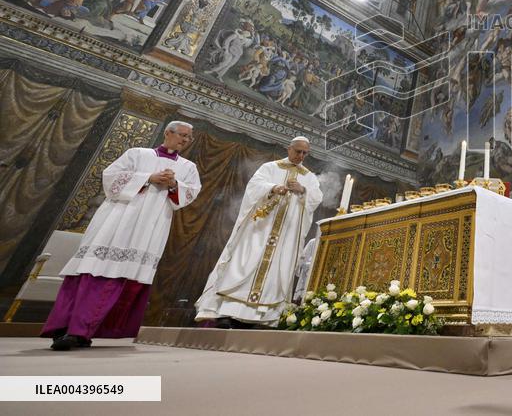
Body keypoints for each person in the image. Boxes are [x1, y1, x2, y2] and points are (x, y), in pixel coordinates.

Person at [42, 122, 201, 350]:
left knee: (123, 276)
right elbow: (111, 179)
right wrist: (148, 178)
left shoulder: (189, 167)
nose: (185, 140)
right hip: (116, 221)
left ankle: (84, 331)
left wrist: (174, 184)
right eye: (182, 135)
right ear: (168, 133)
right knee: (92, 270)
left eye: (189, 138)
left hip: (150, 227)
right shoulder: (137, 153)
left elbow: (190, 193)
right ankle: (66, 328)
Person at [194, 137, 323, 328]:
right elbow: (254, 187)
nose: (301, 156)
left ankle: (260, 317)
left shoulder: (309, 177)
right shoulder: (271, 167)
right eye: (298, 151)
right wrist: (273, 188)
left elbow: (316, 198)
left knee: (275, 270)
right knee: (245, 263)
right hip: (260, 230)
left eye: (305, 153)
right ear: (289, 149)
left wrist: (303, 190)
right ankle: (228, 312)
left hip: (286, 234)